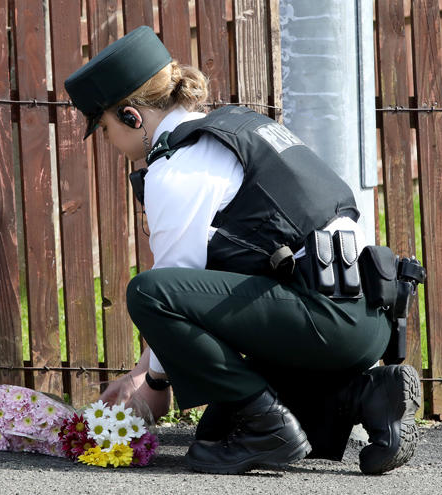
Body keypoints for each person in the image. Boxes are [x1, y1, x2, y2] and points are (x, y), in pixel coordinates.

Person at [64, 25, 421, 475]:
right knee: (216, 433)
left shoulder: (177, 167)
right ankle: (370, 394)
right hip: (365, 321)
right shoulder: (241, 126)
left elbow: (170, 287)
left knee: (146, 293)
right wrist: (148, 369)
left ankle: (267, 426)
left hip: (323, 321)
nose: (109, 143)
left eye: (105, 128)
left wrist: (152, 379)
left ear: (133, 117)